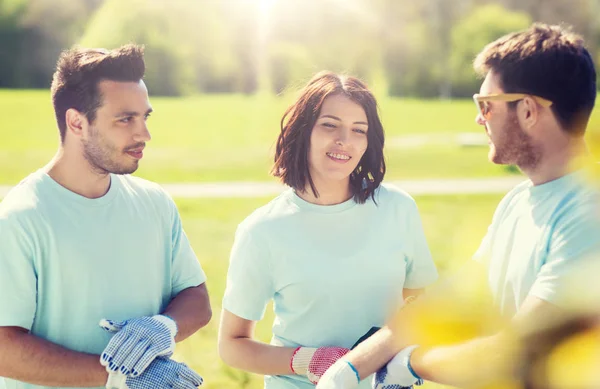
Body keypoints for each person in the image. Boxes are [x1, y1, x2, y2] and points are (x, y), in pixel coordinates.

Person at [316, 23, 600, 389]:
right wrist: (352, 367)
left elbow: (517, 353)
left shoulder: (587, 216)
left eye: (486, 105)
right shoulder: (519, 201)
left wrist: (410, 365)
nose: (479, 118)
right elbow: (451, 298)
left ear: (528, 110)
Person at [0, 44, 211, 389]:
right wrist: (117, 376)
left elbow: (196, 298)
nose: (144, 134)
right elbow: (4, 349)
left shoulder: (154, 203)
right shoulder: (21, 219)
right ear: (76, 122)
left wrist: (165, 326)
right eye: (125, 119)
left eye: (145, 117)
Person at [217, 71, 439, 389]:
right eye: (329, 125)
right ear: (303, 132)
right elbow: (232, 345)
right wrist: (309, 360)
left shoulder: (398, 208)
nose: (344, 141)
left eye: (358, 130)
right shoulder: (261, 231)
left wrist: (399, 358)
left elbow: (418, 303)